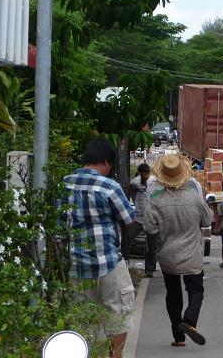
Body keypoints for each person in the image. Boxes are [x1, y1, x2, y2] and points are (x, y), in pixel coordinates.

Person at [62, 138, 135, 358]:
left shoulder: (64, 184)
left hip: (76, 266)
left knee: (83, 320)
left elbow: (58, 227)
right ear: (106, 161)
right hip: (108, 264)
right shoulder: (108, 186)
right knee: (118, 315)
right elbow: (129, 219)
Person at [145, 154, 213, 347]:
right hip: (192, 256)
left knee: (173, 295)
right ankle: (189, 320)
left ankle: (178, 336)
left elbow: (150, 229)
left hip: (168, 256)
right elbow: (207, 221)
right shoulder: (194, 197)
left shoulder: (156, 200)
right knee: (196, 291)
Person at [125, 163, 159, 277]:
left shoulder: (153, 182)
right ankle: (125, 263)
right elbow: (132, 188)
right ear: (140, 173)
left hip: (151, 219)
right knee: (127, 238)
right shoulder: (135, 182)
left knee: (152, 246)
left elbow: (159, 193)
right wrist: (137, 185)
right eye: (143, 173)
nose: (146, 175)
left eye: (147, 172)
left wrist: (152, 196)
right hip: (138, 218)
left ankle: (149, 270)